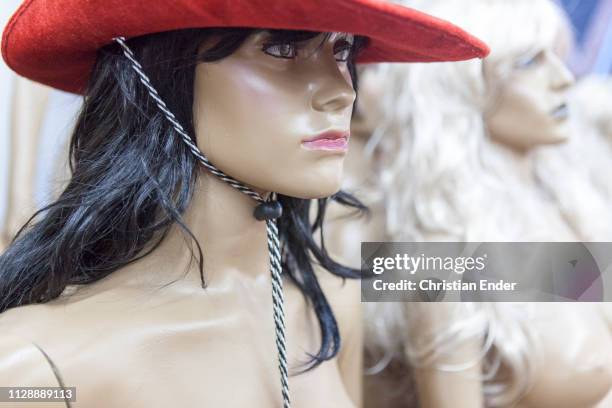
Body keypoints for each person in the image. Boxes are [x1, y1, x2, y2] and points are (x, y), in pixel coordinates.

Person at [0, 0, 488, 406]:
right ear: (157, 75)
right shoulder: (35, 369)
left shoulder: (327, 306)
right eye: (282, 46)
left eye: (344, 50)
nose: (343, 91)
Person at [326, 0, 612, 406]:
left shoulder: (565, 208)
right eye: (529, 63)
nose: (564, 78)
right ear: (462, 88)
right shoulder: (443, 255)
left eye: (558, 56)